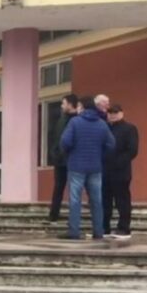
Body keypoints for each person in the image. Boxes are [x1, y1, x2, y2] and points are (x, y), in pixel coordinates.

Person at [60, 96, 116, 240]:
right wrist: (100, 155)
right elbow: (111, 144)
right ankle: (98, 232)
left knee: (75, 200)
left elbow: (65, 142)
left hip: (76, 166)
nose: (78, 108)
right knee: (97, 201)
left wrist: (70, 153)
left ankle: (74, 231)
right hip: (95, 167)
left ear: (83, 107)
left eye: (79, 106)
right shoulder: (102, 124)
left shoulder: (75, 122)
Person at [103, 104, 139, 239]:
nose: (112, 115)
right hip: (105, 170)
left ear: (122, 113)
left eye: (115, 112)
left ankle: (124, 228)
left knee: (122, 200)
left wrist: (118, 162)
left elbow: (132, 150)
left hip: (121, 171)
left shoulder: (129, 128)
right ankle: (104, 227)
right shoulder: (105, 128)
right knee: (105, 200)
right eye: (110, 112)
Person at [46, 94, 79, 224]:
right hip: (59, 160)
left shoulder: (77, 120)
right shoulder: (61, 119)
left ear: (70, 104)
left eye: (63, 103)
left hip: (73, 160)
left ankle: (74, 218)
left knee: (74, 189)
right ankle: (53, 214)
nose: (61, 106)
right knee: (58, 188)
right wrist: (54, 153)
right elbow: (55, 138)